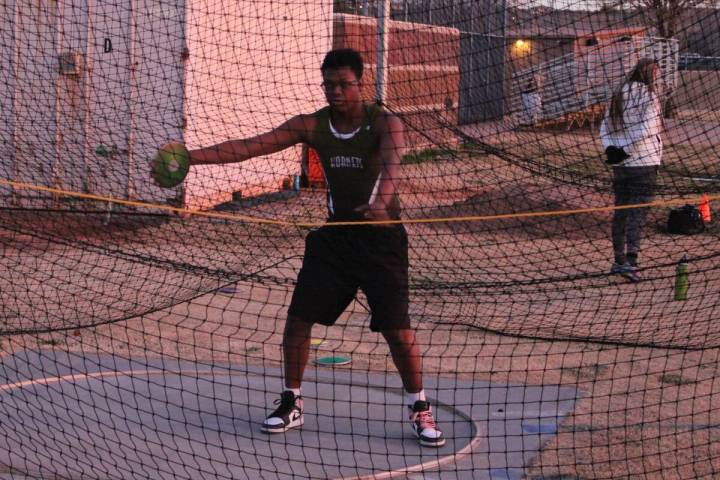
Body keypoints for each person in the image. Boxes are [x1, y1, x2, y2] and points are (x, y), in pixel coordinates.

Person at [166, 48, 445, 447]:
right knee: (298, 319)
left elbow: (392, 163)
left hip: (382, 241)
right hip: (335, 238)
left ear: (359, 83)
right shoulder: (313, 125)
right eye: (328, 84)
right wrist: (191, 158)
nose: (335, 91)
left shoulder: (384, 121)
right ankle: (292, 402)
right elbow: (250, 146)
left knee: (398, 331)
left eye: (343, 84)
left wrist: (382, 201)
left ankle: (419, 408)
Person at [600, 58, 663, 282]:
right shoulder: (649, 96)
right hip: (643, 162)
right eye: (656, 72)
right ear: (649, 73)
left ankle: (618, 261)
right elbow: (647, 130)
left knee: (622, 212)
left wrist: (612, 149)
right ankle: (630, 262)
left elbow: (604, 128)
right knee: (636, 213)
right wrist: (624, 150)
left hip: (621, 164)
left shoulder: (618, 93)